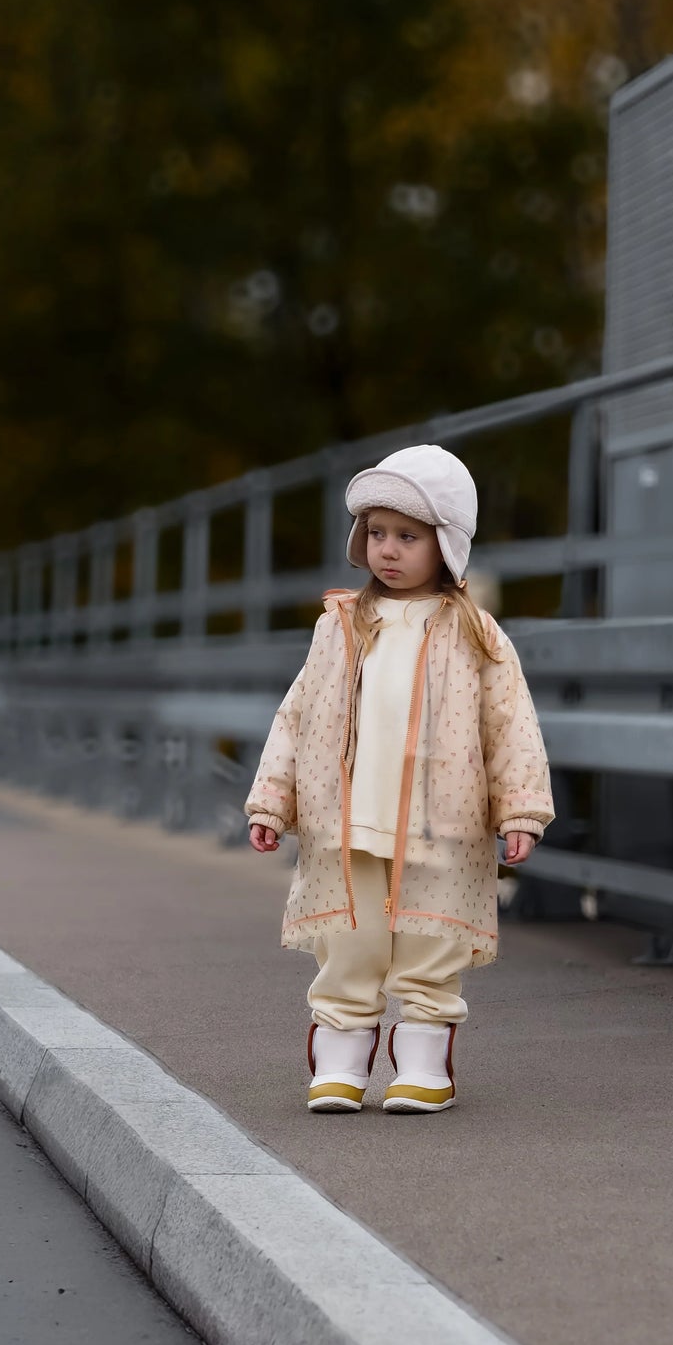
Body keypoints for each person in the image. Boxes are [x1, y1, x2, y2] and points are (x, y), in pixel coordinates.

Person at [245, 443, 554, 1114]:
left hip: (441, 824)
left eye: (407, 536)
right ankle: (340, 1061)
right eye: (377, 533)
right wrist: (272, 798)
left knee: (429, 944)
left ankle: (421, 1064)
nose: (387, 549)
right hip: (347, 824)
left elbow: (511, 724)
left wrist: (520, 810)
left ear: (446, 543)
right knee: (348, 946)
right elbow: (296, 715)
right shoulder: (341, 626)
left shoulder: (476, 633)